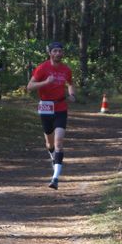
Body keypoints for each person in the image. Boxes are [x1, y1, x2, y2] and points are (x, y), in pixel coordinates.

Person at [26, 41, 76, 190]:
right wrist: (46, 82)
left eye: (60, 51)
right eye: (55, 51)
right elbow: (29, 87)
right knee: (50, 144)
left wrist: (71, 94)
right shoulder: (42, 68)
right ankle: (53, 157)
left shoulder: (66, 69)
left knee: (59, 142)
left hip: (61, 106)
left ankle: (55, 178)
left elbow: (70, 83)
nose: (58, 54)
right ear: (50, 53)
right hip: (46, 106)